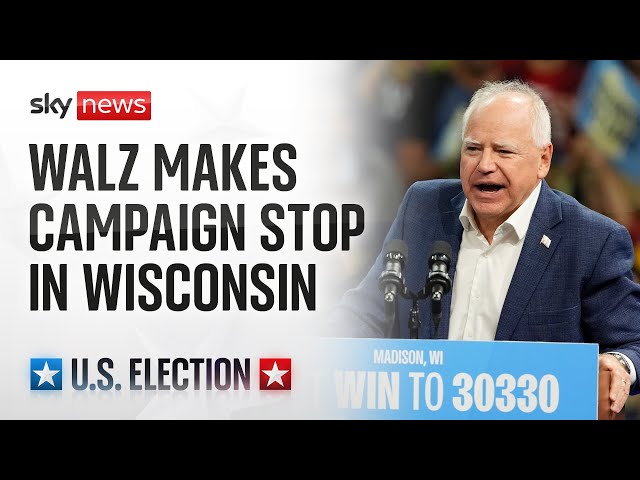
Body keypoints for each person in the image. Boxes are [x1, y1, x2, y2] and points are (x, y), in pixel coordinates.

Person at [327, 79, 640, 415]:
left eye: (503, 151)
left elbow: (633, 343)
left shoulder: (591, 240)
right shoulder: (424, 206)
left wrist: (619, 364)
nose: (484, 165)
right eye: (473, 149)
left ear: (543, 160)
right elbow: (369, 309)